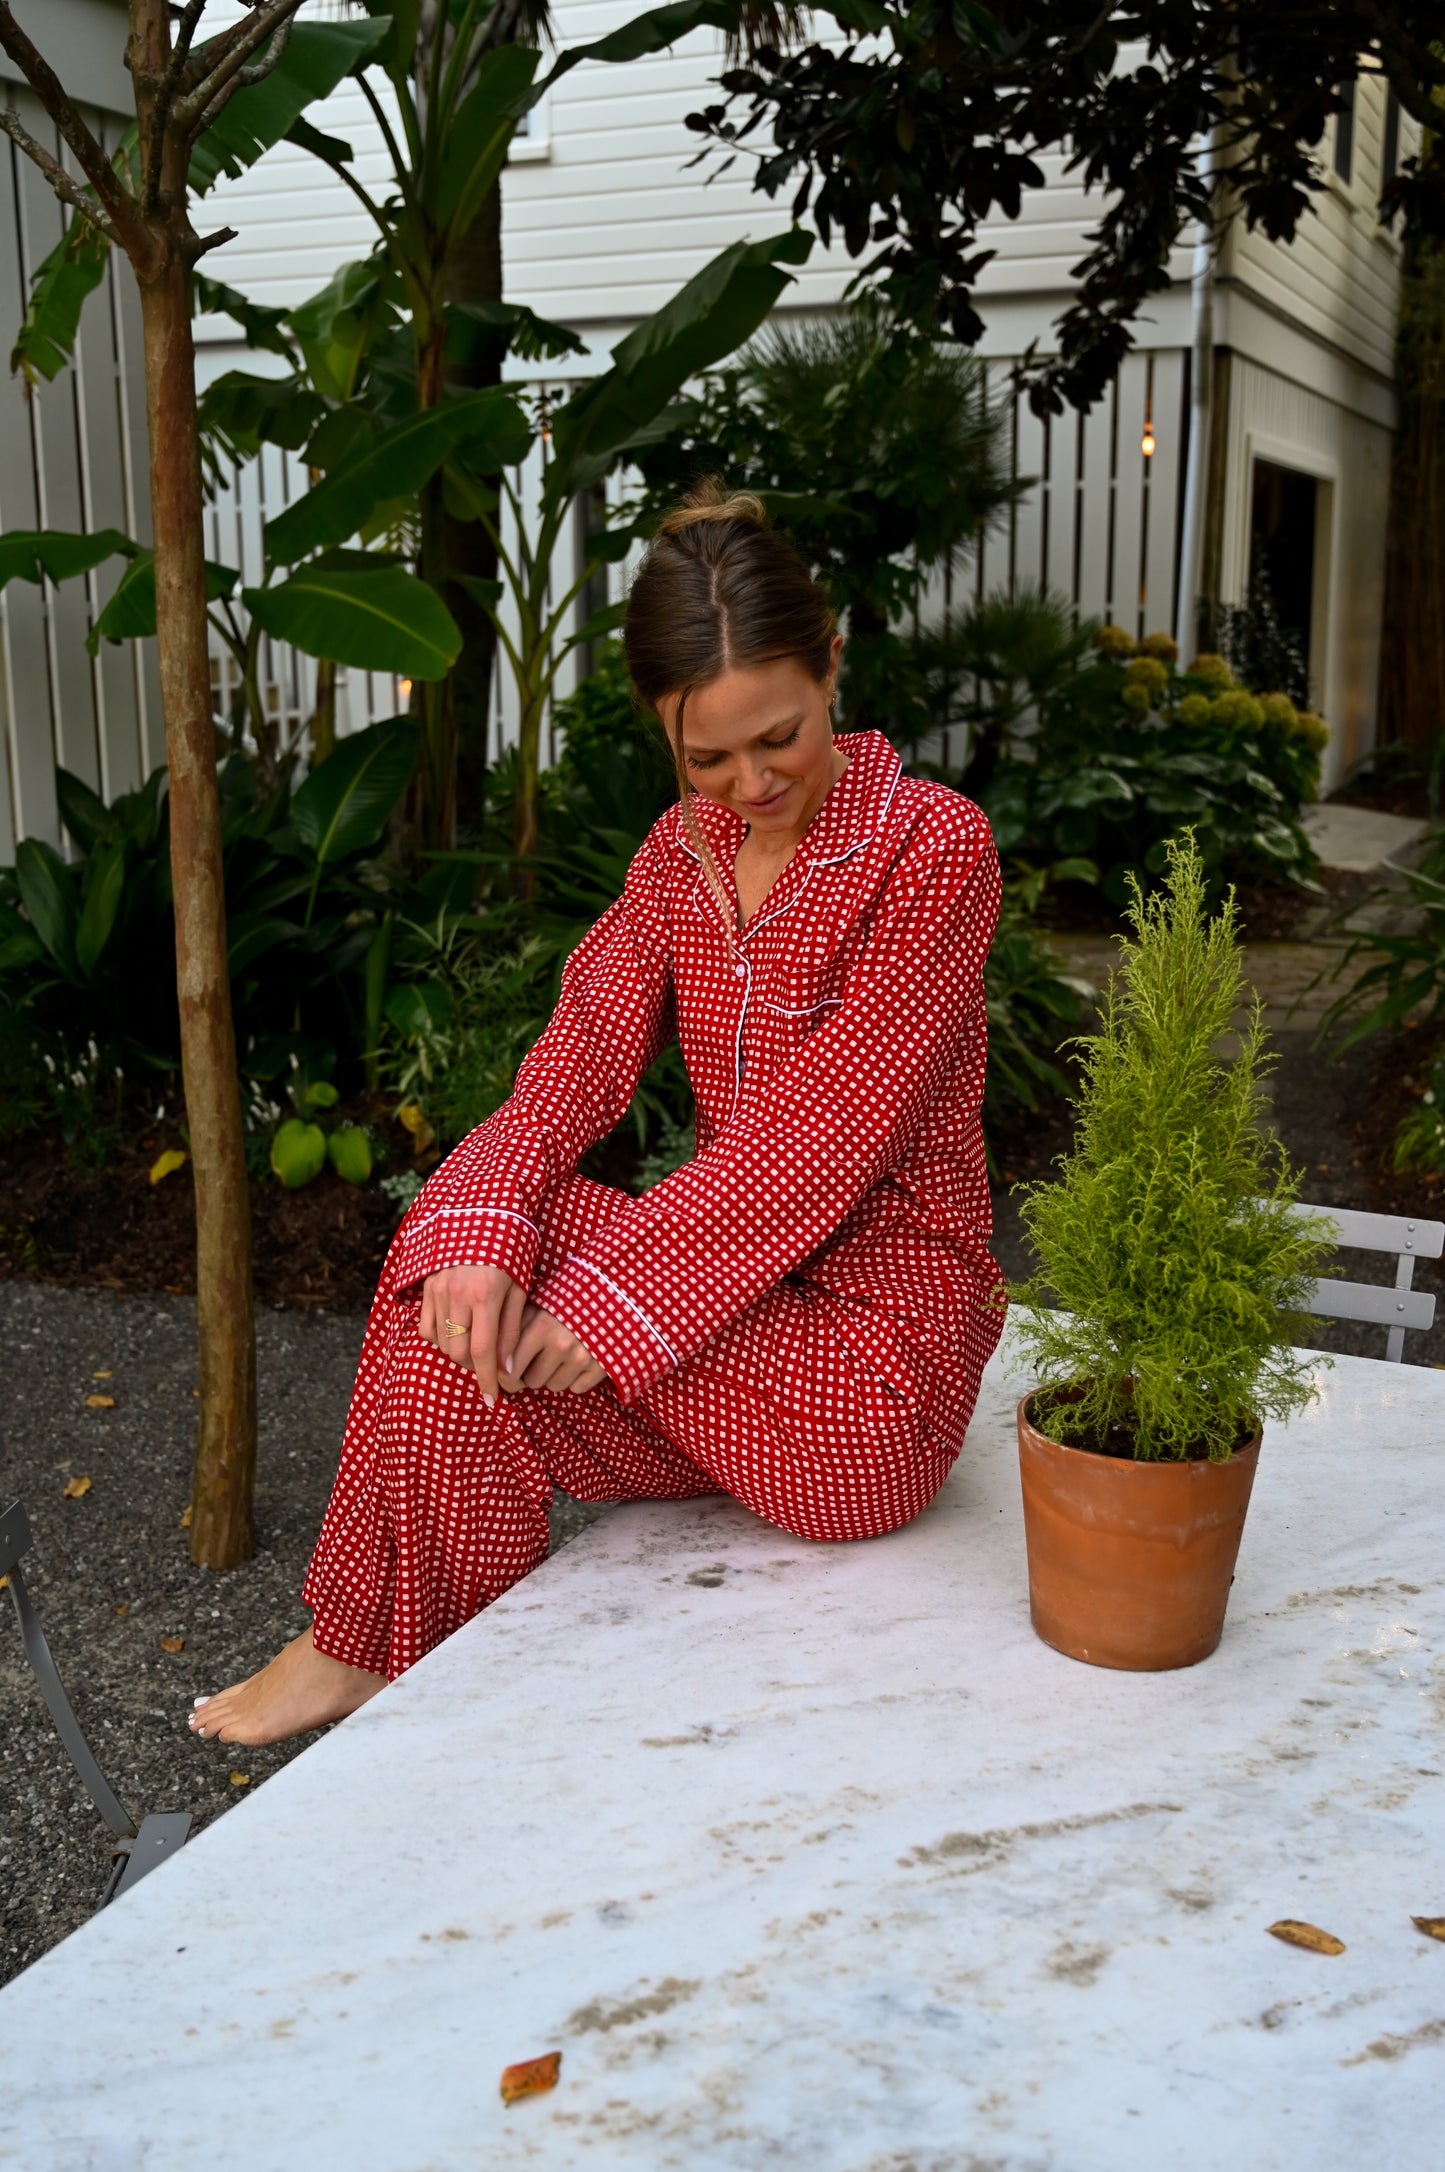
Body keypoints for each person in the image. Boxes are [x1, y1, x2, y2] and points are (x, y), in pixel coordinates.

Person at [191, 484, 1005, 1748]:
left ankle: (364, 1643)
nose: (749, 783)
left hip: (865, 1395)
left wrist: (616, 1297)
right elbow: (573, 1065)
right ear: (663, 738)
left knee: (487, 1260)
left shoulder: (929, 849)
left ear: (833, 659)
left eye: (777, 736)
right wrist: (479, 1231)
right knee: (458, 1278)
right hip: (722, 1358)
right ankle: (404, 1662)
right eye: (707, 758)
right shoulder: (671, 861)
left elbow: (827, 1132)